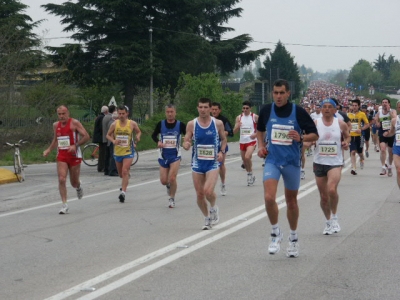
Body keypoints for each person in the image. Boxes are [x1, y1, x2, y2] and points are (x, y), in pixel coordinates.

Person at [257, 79, 318, 258]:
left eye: (282, 93)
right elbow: (260, 130)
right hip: (272, 160)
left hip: (291, 162)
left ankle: (293, 238)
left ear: (288, 93)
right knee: (269, 197)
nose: (278, 96)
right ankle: (275, 233)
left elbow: (315, 134)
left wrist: (300, 137)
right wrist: (261, 146)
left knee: (291, 201)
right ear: (272, 94)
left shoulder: (298, 112)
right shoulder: (266, 110)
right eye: (275, 93)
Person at [182, 98, 227, 230]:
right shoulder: (192, 124)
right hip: (197, 163)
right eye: (200, 107)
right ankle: (207, 218)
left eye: (205, 107)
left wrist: (221, 152)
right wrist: (186, 144)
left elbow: (224, 140)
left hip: (212, 163)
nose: (203, 110)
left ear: (210, 108)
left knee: (208, 191)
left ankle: (213, 207)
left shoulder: (217, 123)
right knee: (200, 195)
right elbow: (187, 139)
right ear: (197, 108)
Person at [43, 105, 90, 214]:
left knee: (73, 182)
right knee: (62, 179)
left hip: (74, 156)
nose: (61, 116)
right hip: (62, 156)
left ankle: (78, 186)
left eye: (63, 114)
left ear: (68, 113)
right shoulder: (55, 125)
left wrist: (75, 145)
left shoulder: (74, 123)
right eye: (59, 114)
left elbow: (86, 136)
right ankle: (64, 204)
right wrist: (49, 149)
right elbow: (56, 139)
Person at [313, 99, 350, 235]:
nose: (327, 109)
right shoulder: (315, 123)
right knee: (323, 197)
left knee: (332, 190)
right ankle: (328, 221)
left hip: (335, 162)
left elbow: (348, 137)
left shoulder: (340, 124)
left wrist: (346, 142)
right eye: (324, 107)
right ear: (321, 109)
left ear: (335, 110)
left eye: (330, 107)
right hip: (319, 162)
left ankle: (334, 217)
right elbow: (311, 137)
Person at [151, 104, 186, 208]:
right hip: (163, 155)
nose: (170, 114)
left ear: (175, 112)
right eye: (168, 112)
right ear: (165, 113)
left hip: (175, 155)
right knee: (163, 181)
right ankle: (168, 186)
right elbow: (153, 135)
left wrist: (186, 140)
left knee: (172, 177)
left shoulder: (180, 125)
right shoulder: (160, 124)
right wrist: (158, 141)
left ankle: (172, 198)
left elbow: (188, 135)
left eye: (172, 112)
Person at [106, 105, 141, 203]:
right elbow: (107, 135)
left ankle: (123, 193)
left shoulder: (132, 123)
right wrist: (113, 140)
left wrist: (138, 137)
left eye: (123, 114)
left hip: (128, 152)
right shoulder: (114, 124)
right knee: (121, 174)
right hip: (117, 152)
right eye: (119, 113)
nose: (121, 115)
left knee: (125, 171)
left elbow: (138, 132)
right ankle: (126, 177)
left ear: (127, 114)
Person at [211, 102, 234, 195]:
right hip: (210, 145)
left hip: (221, 144)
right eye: (212, 109)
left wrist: (225, 133)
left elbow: (231, 132)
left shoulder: (223, 120)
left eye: (216, 109)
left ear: (219, 110)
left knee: (220, 164)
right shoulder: (207, 120)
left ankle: (223, 183)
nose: (214, 111)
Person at [233, 101, 258, 186]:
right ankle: (249, 173)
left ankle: (250, 175)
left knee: (247, 157)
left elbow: (262, 127)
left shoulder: (254, 117)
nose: (245, 110)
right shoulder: (239, 118)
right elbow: (234, 132)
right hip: (242, 141)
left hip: (251, 141)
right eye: (243, 108)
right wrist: (237, 126)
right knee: (244, 160)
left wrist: (256, 134)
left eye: (247, 108)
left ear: (250, 108)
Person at [375, 98, 397, 176]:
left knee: (390, 152)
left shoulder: (393, 111)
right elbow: (376, 120)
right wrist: (377, 123)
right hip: (383, 133)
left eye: (386, 102)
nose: (384, 104)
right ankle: (383, 167)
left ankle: (390, 166)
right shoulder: (379, 113)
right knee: (383, 149)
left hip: (391, 134)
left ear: (389, 104)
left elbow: (395, 118)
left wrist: (388, 111)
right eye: (383, 102)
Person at [347, 99, 369, 175]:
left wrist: (361, 129)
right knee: (352, 152)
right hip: (351, 136)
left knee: (360, 153)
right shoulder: (348, 115)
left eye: (356, 105)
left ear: (359, 106)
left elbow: (367, 124)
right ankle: (354, 168)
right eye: (353, 105)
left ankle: (362, 159)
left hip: (359, 136)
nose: (354, 107)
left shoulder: (362, 114)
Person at [383, 100, 400, 197]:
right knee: (398, 170)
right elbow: (393, 132)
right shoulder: (395, 120)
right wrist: (388, 133)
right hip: (397, 147)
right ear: (398, 108)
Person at [92, 106, 108, 172]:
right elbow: (102, 128)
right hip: (101, 137)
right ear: (106, 111)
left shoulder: (99, 116)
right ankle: (101, 167)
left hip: (99, 137)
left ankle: (100, 167)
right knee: (103, 153)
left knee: (102, 152)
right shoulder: (102, 117)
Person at [102, 105, 116, 175]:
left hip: (105, 138)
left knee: (107, 156)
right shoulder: (110, 119)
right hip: (109, 139)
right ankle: (111, 170)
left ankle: (106, 169)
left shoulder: (105, 117)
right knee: (111, 155)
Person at [106, 111, 119, 176]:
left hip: (111, 141)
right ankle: (113, 170)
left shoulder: (111, 122)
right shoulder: (113, 123)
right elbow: (110, 133)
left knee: (111, 156)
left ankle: (111, 170)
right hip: (112, 141)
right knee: (113, 157)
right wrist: (113, 140)